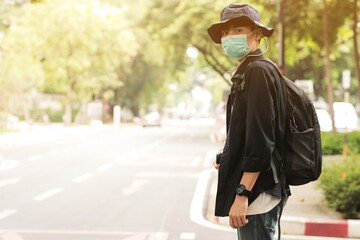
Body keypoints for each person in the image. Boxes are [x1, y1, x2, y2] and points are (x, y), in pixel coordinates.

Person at [207, 4, 290, 240]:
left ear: (258, 34)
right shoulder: (250, 70)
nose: (229, 37)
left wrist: (242, 195)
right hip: (259, 189)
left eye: (238, 29)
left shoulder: (258, 72)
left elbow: (261, 140)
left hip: (258, 192)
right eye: (225, 32)